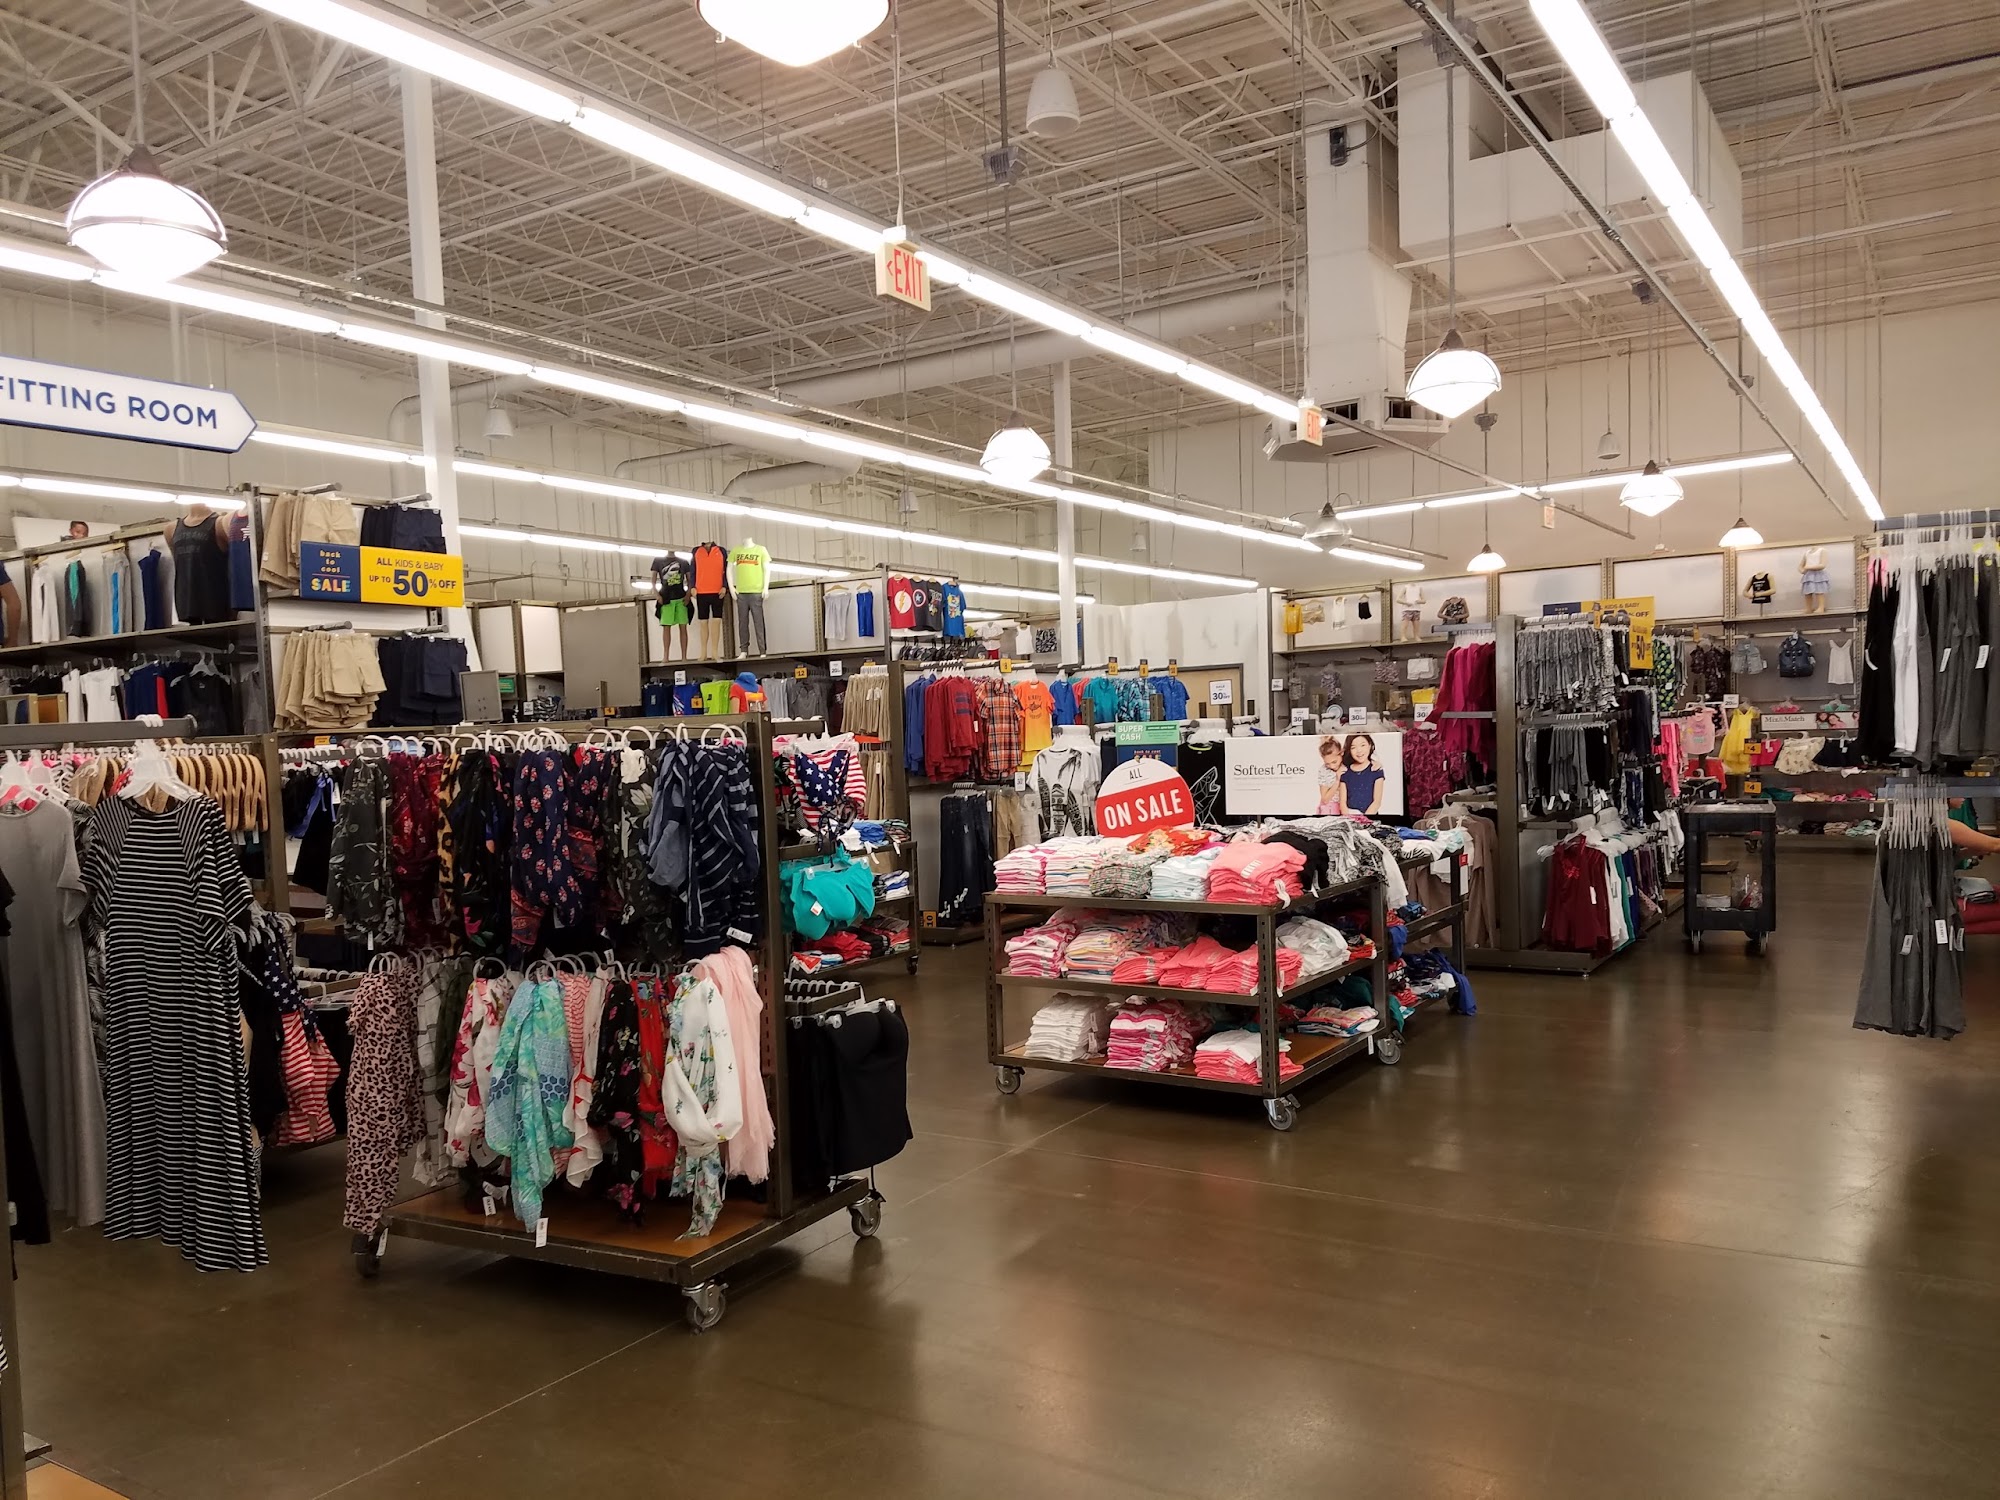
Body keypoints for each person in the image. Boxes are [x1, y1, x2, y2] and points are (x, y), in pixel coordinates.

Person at [1340, 733, 1384, 816]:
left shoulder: (1376, 769)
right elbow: (1342, 803)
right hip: (1350, 818)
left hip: (1370, 817)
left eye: (1362, 745)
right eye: (1353, 747)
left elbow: (1376, 802)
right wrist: (1349, 819)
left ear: (1370, 745)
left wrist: (1364, 820)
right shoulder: (1345, 771)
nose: (1359, 750)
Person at [1316, 736, 1347, 814]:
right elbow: (1325, 799)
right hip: (1329, 808)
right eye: (1327, 764)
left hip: (1346, 807)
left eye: (1334, 762)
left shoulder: (1347, 765)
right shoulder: (1324, 771)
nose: (1332, 766)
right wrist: (1337, 780)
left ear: (1342, 753)